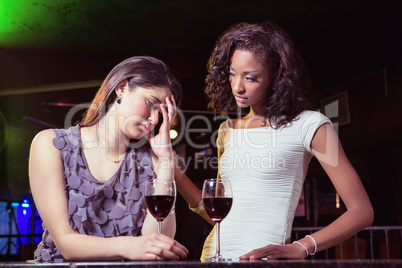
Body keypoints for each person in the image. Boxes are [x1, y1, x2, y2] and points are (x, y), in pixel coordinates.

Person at [177, 21, 374, 261]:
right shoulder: (227, 131)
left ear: (276, 77)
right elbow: (217, 213)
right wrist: (173, 170)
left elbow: (362, 211)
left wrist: (302, 246)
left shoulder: (311, 125)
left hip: (265, 262)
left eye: (250, 78)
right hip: (214, 259)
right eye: (231, 73)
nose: (237, 87)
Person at [28, 56, 189, 262]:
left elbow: (158, 244)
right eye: (151, 103)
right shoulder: (51, 144)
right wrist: (129, 246)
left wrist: (166, 162)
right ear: (122, 88)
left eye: (162, 112)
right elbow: (65, 242)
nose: (155, 119)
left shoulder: (151, 162)